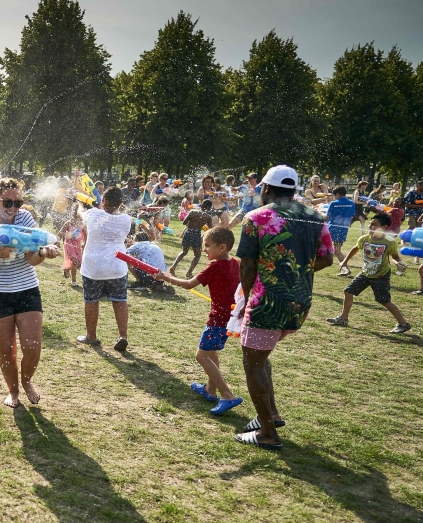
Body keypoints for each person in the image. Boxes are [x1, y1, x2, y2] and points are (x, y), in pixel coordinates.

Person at [234, 165, 333, 450]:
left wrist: (244, 300)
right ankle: (272, 415)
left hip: (268, 303)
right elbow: (326, 258)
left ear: (266, 188)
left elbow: (249, 265)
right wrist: (297, 272)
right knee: (261, 357)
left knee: (252, 363)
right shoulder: (315, 217)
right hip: (300, 303)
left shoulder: (256, 218)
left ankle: (267, 433)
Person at [0, 178, 59, 407]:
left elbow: (31, 259)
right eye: (7, 202)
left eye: (17, 203)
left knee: (32, 347)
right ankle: (13, 391)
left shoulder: (25, 218)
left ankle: (27, 380)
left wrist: (43, 253)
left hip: (26, 288)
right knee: (7, 351)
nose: (12, 209)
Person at [160, 227, 242, 412]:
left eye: (207, 245)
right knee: (212, 354)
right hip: (229, 318)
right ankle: (210, 390)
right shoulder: (235, 263)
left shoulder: (215, 267)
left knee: (201, 355)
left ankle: (227, 395)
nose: (204, 249)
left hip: (218, 320)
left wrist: (166, 277)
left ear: (222, 247)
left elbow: (189, 285)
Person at [326, 213, 411, 333]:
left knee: (384, 300)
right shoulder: (364, 239)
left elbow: (395, 257)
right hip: (365, 273)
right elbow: (355, 248)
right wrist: (344, 262)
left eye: (374, 225)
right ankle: (343, 318)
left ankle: (403, 323)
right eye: (370, 224)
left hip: (381, 275)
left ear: (385, 227)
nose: (370, 227)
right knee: (348, 291)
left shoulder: (389, 242)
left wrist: (398, 263)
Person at [76, 186, 133, 351]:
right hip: (116, 266)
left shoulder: (93, 214)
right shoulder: (125, 219)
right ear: (120, 203)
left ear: (104, 200)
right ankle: (123, 336)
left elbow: (80, 214)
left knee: (91, 300)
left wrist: (80, 204)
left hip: (94, 267)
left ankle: (91, 337)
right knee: (120, 300)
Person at [170, 199, 213, 277]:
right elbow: (211, 229)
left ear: (201, 205)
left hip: (188, 233)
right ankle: (189, 273)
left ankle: (173, 266)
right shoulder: (208, 217)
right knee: (197, 255)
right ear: (209, 208)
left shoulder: (192, 212)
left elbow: (184, 222)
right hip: (196, 234)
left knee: (184, 252)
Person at [323, 186, 356, 269]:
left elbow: (327, 216)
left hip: (332, 229)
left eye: (334, 195)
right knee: (337, 250)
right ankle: (344, 268)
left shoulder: (334, 203)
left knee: (336, 251)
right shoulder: (351, 203)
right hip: (343, 229)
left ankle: (345, 269)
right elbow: (352, 216)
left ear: (337, 194)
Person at [59, 202, 84, 290]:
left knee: (79, 264)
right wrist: (68, 234)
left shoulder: (82, 224)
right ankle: (74, 281)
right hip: (69, 244)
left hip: (77, 245)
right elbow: (60, 233)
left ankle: (66, 269)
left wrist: (85, 243)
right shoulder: (69, 223)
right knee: (75, 261)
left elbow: (85, 235)